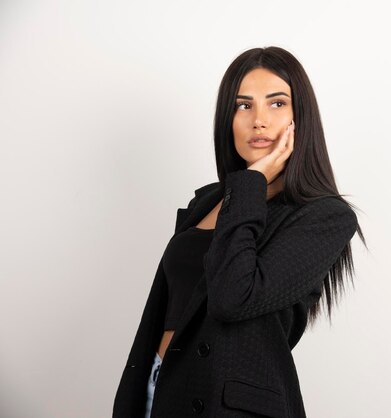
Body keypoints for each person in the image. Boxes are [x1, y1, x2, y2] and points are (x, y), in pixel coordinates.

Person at [113, 46, 366, 418]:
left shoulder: (324, 217)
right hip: (159, 390)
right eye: (243, 105)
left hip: (227, 406)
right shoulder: (207, 202)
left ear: (302, 118)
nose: (258, 120)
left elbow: (233, 297)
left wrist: (252, 183)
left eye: (277, 103)